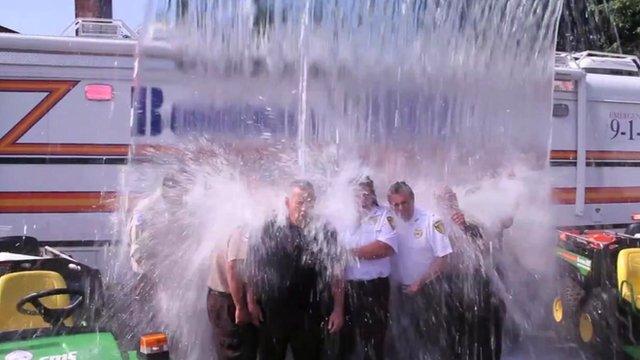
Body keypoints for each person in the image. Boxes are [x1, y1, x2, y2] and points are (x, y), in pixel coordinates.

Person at [246, 180, 345, 360]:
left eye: (310, 202)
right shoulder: (270, 228)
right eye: (300, 202)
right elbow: (254, 266)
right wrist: (251, 302)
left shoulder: (325, 231)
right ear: (287, 202)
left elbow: (336, 272)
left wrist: (338, 309)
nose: (305, 208)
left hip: (309, 313)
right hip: (273, 312)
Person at [435, 185, 506, 360]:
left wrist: (465, 225)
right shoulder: (434, 222)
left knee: (484, 330)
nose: (447, 203)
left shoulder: (471, 215)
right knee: (454, 331)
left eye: (450, 198)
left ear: (456, 198)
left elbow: (486, 243)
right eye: (442, 199)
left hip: (479, 279)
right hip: (451, 283)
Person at [387, 181, 452, 359]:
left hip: (427, 289)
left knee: (429, 336)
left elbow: (442, 258)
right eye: (395, 205)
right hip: (399, 290)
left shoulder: (432, 221)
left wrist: (420, 282)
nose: (400, 208)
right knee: (401, 336)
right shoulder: (388, 220)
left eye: (404, 203)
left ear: (412, 200)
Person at [338, 176, 399, 360]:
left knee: (373, 344)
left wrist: (348, 253)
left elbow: (385, 247)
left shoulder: (385, 216)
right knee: (344, 344)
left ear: (373, 194)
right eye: (358, 193)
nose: (362, 197)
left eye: (366, 193)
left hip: (374, 289)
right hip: (346, 289)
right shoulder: (341, 218)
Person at [207, 227, 258, 360]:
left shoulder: (227, 220)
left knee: (227, 352)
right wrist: (241, 306)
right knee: (237, 353)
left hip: (218, 298)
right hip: (229, 300)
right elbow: (234, 268)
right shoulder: (241, 227)